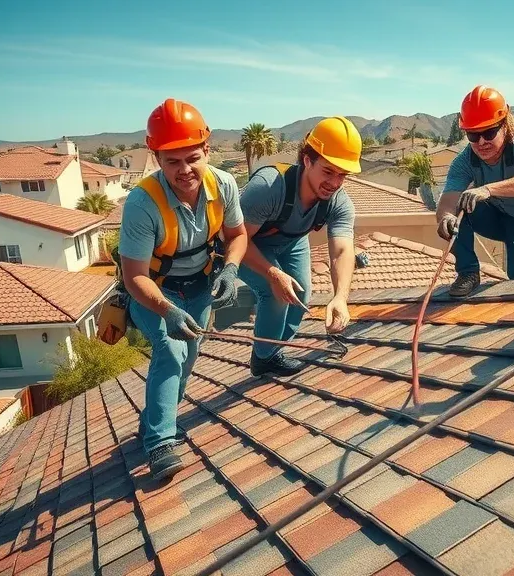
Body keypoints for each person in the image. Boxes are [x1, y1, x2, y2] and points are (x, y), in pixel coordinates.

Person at [118, 98, 248, 481]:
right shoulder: (142, 203)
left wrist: (231, 269)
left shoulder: (223, 185)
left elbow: (237, 235)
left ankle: (154, 421)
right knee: (171, 350)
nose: (184, 170)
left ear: (207, 149)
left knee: (188, 359)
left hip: (201, 287)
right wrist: (168, 310)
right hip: (154, 293)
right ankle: (160, 443)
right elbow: (134, 276)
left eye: (192, 158)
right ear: (156, 157)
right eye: (172, 161)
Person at [237, 116, 359, 376]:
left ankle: (274, 350)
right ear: (307, 160)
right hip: (245, 243)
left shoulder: (338, 201)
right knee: (276, 292)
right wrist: (273, 274)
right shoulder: (268, 187)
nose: (334, 183)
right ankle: (264, 358)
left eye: (342, 175)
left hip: (291, 241)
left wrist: (340, 297)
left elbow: (342, 250)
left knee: (300, 294)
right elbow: (235, 239)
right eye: (328, 171)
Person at [436, 85, 514, 297]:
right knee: (460, 206)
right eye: (473, 135)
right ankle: (467, 272)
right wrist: (446, 218)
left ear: (505, 124)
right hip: (495, 218)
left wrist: (488, 189)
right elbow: (447, 201)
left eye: (489, 133)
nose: (481, 142)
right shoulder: (465, 161)